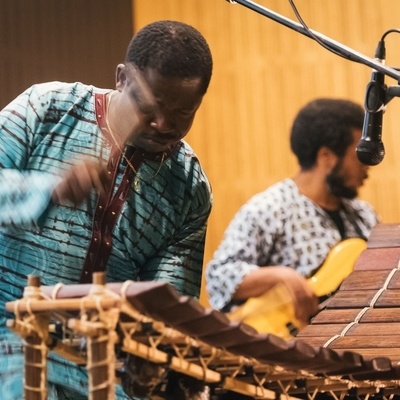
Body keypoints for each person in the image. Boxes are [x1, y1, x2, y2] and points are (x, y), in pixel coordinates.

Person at [0, 20, 213, 399]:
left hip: (107, 372)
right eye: (153, 106)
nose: (164, 124)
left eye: (183, 113)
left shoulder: (190, 186)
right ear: (121, 78)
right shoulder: (46, 108)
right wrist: (48, 190)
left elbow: (165, 302)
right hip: (11, 340)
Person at [206, 98, 380, 339]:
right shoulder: (270, 208)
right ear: (326, 156)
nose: (367, 165)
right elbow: (219, 276)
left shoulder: (365, 217)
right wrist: (282, 276)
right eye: (359, 154)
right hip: (280, 355)